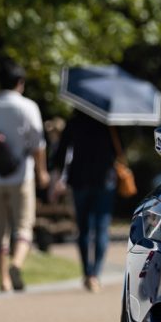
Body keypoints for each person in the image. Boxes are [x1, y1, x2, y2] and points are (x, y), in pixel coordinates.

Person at [0, 57, 48, 292]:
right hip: (22, 175)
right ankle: (17, 263)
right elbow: (38, 145)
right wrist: (42, 172)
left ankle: (4, 278)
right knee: (24, 224)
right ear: (20, 82)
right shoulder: (28, 107)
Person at [49, 111, 117, 291]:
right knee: (101, 228)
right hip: (104, 180)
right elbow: (119, 150)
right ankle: (96, 274)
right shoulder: (108, 121)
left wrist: (56, 177)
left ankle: (87, 273)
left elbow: (61, 153)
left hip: (80, 180)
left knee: (84, 228)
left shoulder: (75, 122)